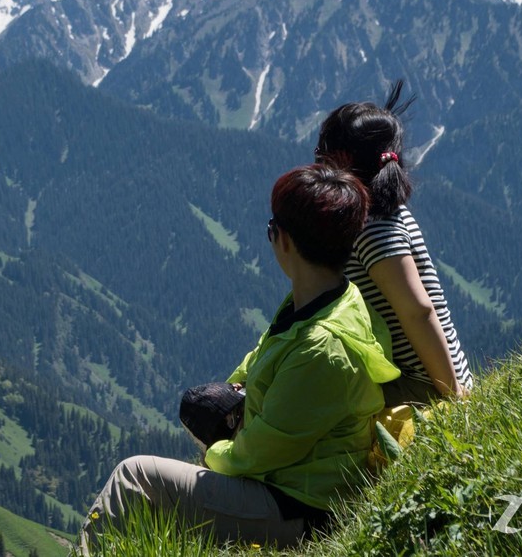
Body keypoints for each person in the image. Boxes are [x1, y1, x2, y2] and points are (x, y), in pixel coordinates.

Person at [78, 164, 400, 553]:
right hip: (291, 486)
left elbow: (256, 455)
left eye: (271, 227)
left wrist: (212, 451)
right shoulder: (329, 298)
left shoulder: (323, 346)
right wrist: (237, 388)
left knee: (134, 477)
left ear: (286, 242)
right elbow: (267, 352)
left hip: (301, 511)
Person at [315, 81, 473, 405]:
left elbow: (417, 311)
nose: (316, 164)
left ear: (342, 160)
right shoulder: (388, 212)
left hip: (423, 385)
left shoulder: (373, 228)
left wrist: (453, 395)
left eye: (320, 154)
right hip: (439, 374)